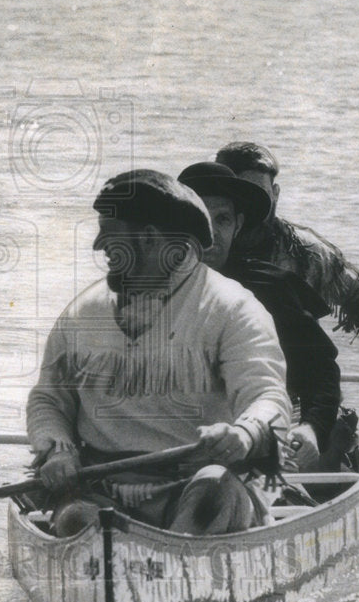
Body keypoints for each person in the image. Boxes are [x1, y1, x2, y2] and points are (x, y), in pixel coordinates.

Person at [26, 170, 291, 537]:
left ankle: (176, 558)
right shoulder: (82, 313)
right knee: (78, 521)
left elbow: (268, 397)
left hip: (198, 482)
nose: (99, 246)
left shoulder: (233, 309)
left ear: (150, 238)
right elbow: (48, 400)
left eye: (111, 235)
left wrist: (245, 433)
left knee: (214, 492)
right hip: (103, 486)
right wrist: (57, 449)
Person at [215, 142, 359, 395]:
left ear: (275, 194)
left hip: (291, 390)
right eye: (239, 196)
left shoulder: (306, 251)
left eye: (258, 194)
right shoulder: (196, 247)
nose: (249, 207)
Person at [178, 162, 342, 472]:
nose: (210, 234)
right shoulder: (147, 293)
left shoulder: (272, 289)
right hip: (180, 443)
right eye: (200, 219)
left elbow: (320, 373)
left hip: (256, 440)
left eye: (222, 220)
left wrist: (311, 428)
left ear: (238, 225)